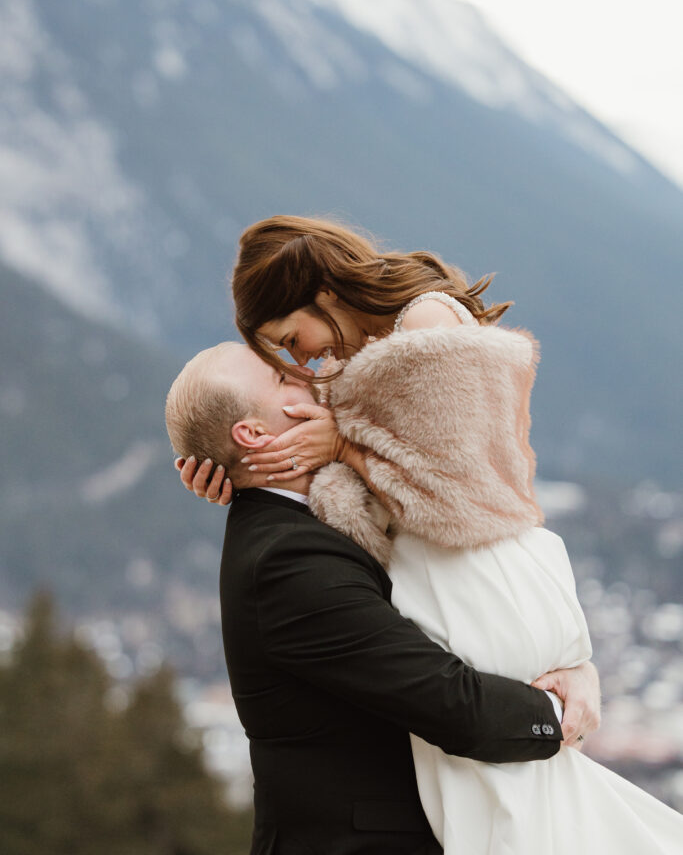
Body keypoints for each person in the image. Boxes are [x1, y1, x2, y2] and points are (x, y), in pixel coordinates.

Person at [179, 215, 683, 852]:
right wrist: (228, 463)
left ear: (322, 295)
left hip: (472, 580)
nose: (301, 364)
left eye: (290, 340)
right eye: (282, 363)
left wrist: (334, 443)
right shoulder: (352, 379)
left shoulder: (424, 324)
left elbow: (459, 483)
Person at [166, 341, 580, 855]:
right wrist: (561, 711)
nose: (303, 369)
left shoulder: (305, 516)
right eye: (280, 378)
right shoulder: (286, 561)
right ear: (252, 434)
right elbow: (451, 703)